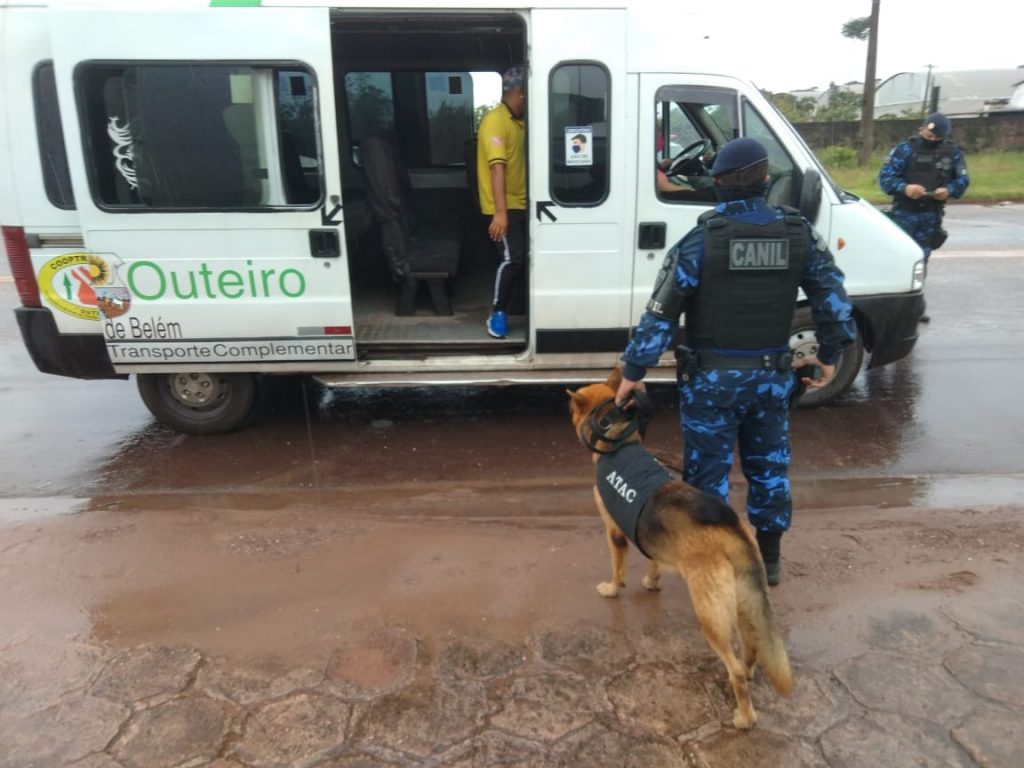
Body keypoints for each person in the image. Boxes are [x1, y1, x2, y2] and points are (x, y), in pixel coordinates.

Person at [614, 137, 856, 586]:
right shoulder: (798, 232)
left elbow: (661, 314)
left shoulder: (702, 240)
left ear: (719, 184)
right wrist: (829, 354)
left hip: (711, 385)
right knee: (769, 469)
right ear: (765, 180)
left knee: (708, 478)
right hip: (771, 380)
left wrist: (632, 373)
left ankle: (719, 566)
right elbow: (833, 298)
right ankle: (770, 562)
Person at [879, 112, 969, 322]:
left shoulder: (952, 152)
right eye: (928, 136)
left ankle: (914, 307)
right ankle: (892, 306)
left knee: (921, 261)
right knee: (898, 260)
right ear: (921, 129)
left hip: (931, 216)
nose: (932, 141)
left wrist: (949, 190)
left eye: (936, 138)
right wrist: (905, 188)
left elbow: (963, 181)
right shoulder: (905, 149)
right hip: (904, 214)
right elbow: (885, 179)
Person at [477, 66, 527, 339]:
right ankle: (497, 312)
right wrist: (500, 213)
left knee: (521, 259)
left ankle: (517, 305)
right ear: (520, 93)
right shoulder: (495, 121)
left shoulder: (518, 122)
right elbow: (497, 169)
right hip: (504, 206)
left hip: (522, 202)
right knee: (512, 259)